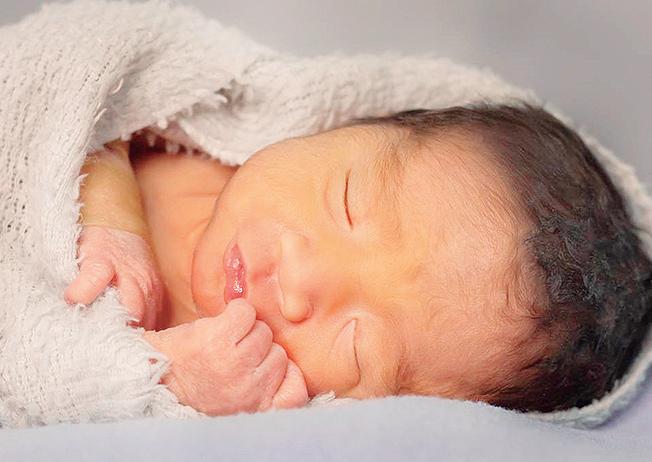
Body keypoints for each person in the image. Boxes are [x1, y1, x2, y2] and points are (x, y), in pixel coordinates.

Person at [64, 102, 652, 416]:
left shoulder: (243, 392)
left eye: (356, 347)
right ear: (346, 124)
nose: (298, 283)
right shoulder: (191, 129)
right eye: (346, 203)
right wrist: (110, 206)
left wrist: (165, 376)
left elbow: (50, 389)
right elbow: (86, 99)